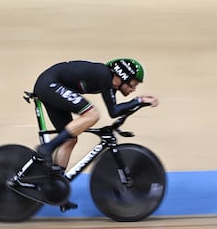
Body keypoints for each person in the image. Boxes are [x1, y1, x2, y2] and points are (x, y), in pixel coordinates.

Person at [33, 58, 159, 212]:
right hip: (50, 84)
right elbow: (113, 111)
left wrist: (139, 103)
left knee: (70, 139)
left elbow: (114, 112)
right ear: (123, 76)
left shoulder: (109, 83)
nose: (134, 89)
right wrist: (139, 100)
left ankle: (57, 189)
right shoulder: (103, 74)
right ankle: (47, 147)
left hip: (52, 85)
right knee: (92, 114)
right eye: (134, 84)